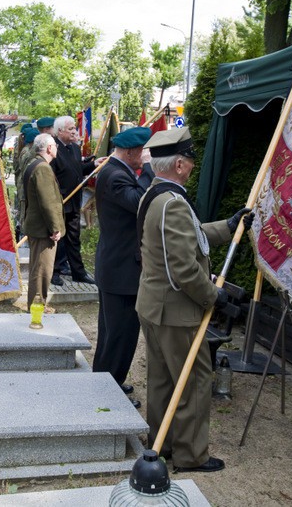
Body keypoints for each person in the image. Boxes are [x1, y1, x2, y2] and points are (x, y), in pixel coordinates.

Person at [136, 126, 251, 474]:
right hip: (175, 311)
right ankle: (190, 454)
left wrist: (229, 227)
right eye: (190, 160)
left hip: (155, 305)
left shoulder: (157, 195)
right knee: (195, 381)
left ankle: (162, 442)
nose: (192, 166)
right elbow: (185, 268)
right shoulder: (172, 204)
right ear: (181, 165)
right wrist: (213, 296)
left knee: (163, 381)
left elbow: (192, 236)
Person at [92, 127, 154, 409]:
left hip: (116, 265)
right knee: (120, 332)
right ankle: (109, 389)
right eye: (144, 152)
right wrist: (151, 169)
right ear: (131, 152)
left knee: (112, 330)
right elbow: (140, 202)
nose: (145, 157)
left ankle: (108, 379)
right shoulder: (116, 175)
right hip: (121, 269)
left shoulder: (115, 170)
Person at [50, 115, 100, 285]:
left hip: (74, 201)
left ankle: (78, 272)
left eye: (74, 128)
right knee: (58, 238)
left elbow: (78, 169)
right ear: (59, 131)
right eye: (70, 129)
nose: (74, 132)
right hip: (60, 201)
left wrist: (94, 164)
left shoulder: (75, 148)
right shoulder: (53, 148)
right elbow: (50, 176)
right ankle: (54, 271)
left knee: (74, 237)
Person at [23, 133, 65, 310]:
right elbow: (48, 202)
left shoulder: (34, 163)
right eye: (55, 145)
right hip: (43, 229)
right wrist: (55, 227)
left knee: (38, 269)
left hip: (37, 227)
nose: (57, 148)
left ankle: (37, 305)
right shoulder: (42, 168)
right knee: (42, 271)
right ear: (49, 148)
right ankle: (37, 307)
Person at [14, 127, 40, 239]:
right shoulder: (28, 152)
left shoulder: (23, 149)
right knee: (24, 211)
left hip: (21, 184)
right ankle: (24, 234)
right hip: (23, 185)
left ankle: (21, 232)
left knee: (22, 210)